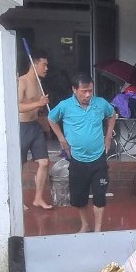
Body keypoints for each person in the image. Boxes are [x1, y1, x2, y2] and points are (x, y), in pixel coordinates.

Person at [48, 73, 117, 232]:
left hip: (98, 158)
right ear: (74, 89)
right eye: (84, 91)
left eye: (90, 91)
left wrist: (108, 137)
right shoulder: (65, 106)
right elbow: (51, 119)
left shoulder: (100, 103)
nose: (87, 95)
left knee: (100, 195)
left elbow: (112, 115)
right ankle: (85, 225)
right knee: (79, 197)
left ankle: (98, 229)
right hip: (77, 159)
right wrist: (62, 140)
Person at [18, 49, 53, 209]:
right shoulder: (22, 81)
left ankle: (38, 198)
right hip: (22, 127)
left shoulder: (39, 84)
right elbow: (17, 106)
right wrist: (38, 103)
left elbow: (39, 109)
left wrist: (48, 125)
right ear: (34, 64)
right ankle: (19, 199)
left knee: (44, 162)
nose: (47, 68)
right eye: (44, 65)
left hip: (35, 126)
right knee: (19, 164)